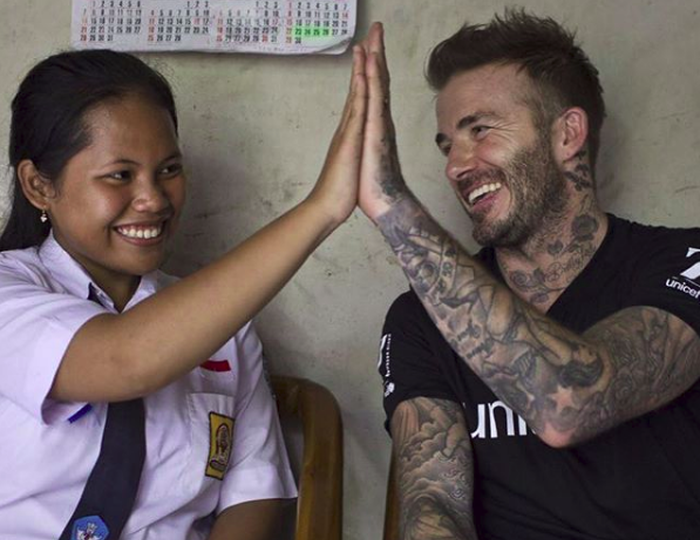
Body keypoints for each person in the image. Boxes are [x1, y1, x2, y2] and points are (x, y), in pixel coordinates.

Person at [356, 11, 700, 540]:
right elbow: (434, 500)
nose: (456, 166)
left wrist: (392, 206)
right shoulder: (420, 315)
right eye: (448, 144)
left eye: (481, 130)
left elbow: (572, 402)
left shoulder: (683, 261)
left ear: (568, 135)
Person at [0, 46, 367, 539]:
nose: (153, 199)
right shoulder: (9, 290)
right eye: (120, 175)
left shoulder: (222, 323)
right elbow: (122, 361)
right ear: (38, 186)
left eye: (169, 169)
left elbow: (254, 494)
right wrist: (323, 208)